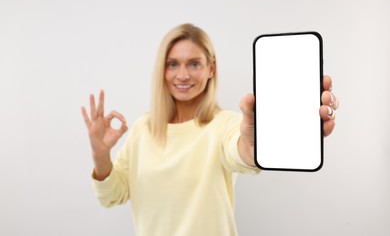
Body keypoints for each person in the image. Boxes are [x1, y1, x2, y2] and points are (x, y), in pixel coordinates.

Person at [81, 23, 339, 236]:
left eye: (194, 64)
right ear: (162, 69)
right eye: (172, 64)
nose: (182, 75)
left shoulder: (223, 124)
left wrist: (253, 146)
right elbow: (112, 196)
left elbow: (241, 151)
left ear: (210, 68)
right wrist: (99, 153)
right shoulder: (142, 130)